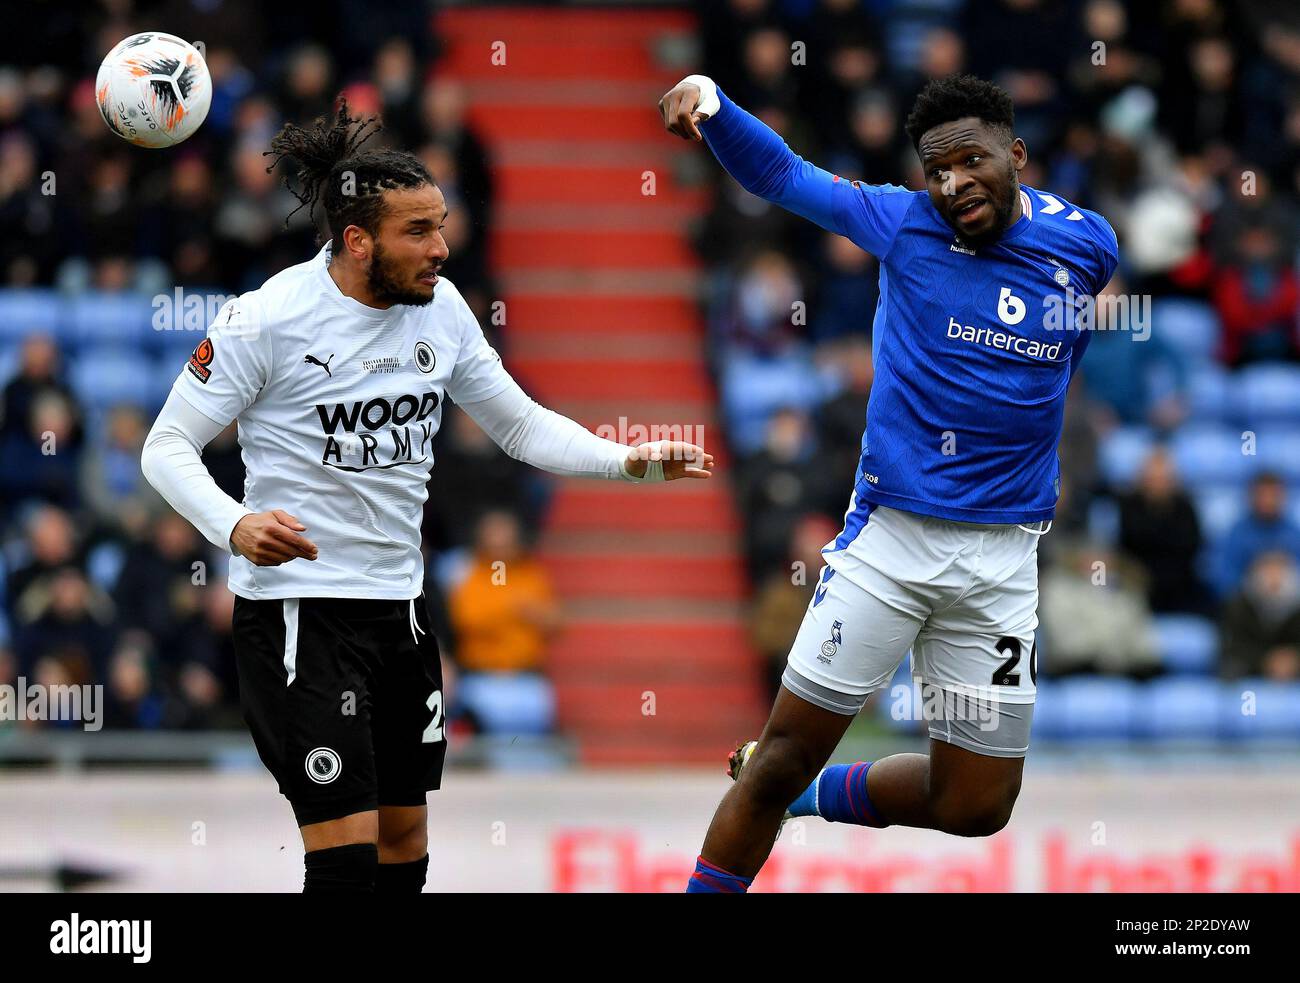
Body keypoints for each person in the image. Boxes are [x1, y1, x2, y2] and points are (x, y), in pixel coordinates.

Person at [140, 100, 713, 894]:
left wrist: (628, 461)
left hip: (401, 615)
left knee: (404, 850)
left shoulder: (442, 312)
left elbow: (519, 426)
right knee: (343, 859)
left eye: (442, 225)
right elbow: (164, 446)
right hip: (301, 615)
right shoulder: (264, 321)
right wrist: (234, 523)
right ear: (357, 240)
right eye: (420, 232)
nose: (443, 247)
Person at [660, 72, 1118, 893]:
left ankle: (819, 795)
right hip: (894, 542)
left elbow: (1064, 359)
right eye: (936, 171)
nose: (952, 185)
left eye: (971, 162)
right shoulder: (902, 224)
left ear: (1015, 154)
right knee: (772, 761)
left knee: (977, 805)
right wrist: (713, 103)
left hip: (1004, 560)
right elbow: (783, 177)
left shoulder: (1087, 245)